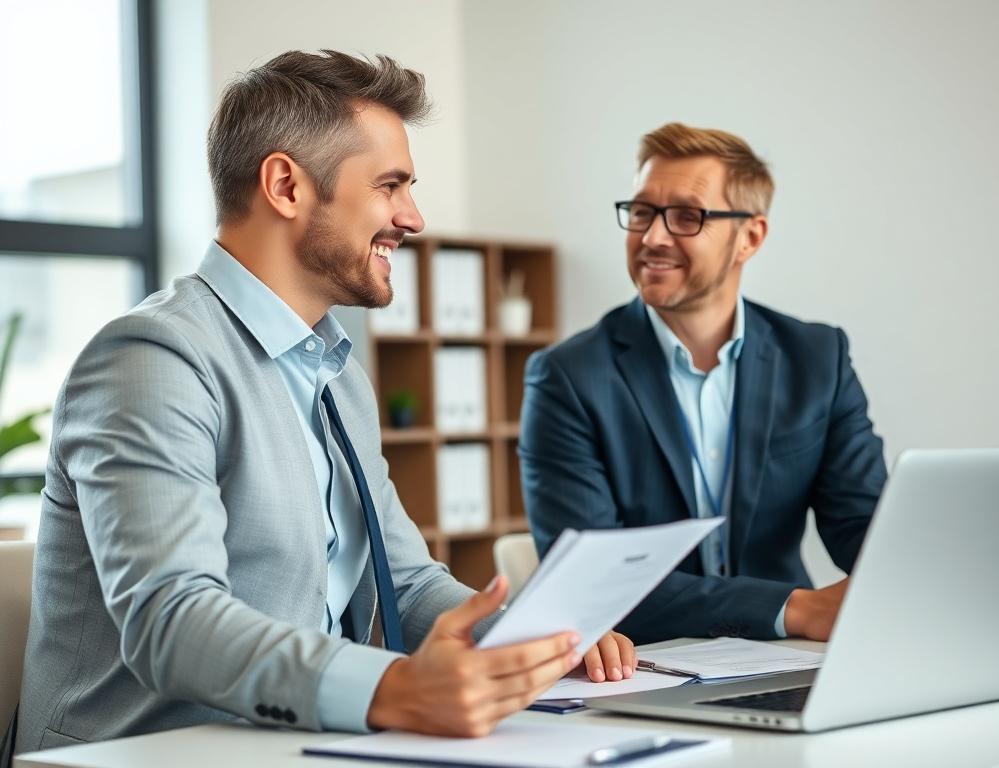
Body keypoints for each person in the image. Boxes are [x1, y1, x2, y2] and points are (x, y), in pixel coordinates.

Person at [7, 51, 634, 759]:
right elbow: (172, 620)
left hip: (293, 747)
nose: (414, 217)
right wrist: (395, 689)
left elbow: (408, 580)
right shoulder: (152, 359)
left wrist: (533, 639)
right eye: (391, 185)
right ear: (285, 186)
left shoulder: (336, 373)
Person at [520, 122, 887, 645]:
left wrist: (920, 579)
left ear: (750, 237)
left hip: (792, 658)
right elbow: (594, 584)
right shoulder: (568, 378)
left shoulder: (817, 358)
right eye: (642, 211)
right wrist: (792, 608)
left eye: (687, 217)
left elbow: (864, 525)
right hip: (645, 665)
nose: (652, 237)